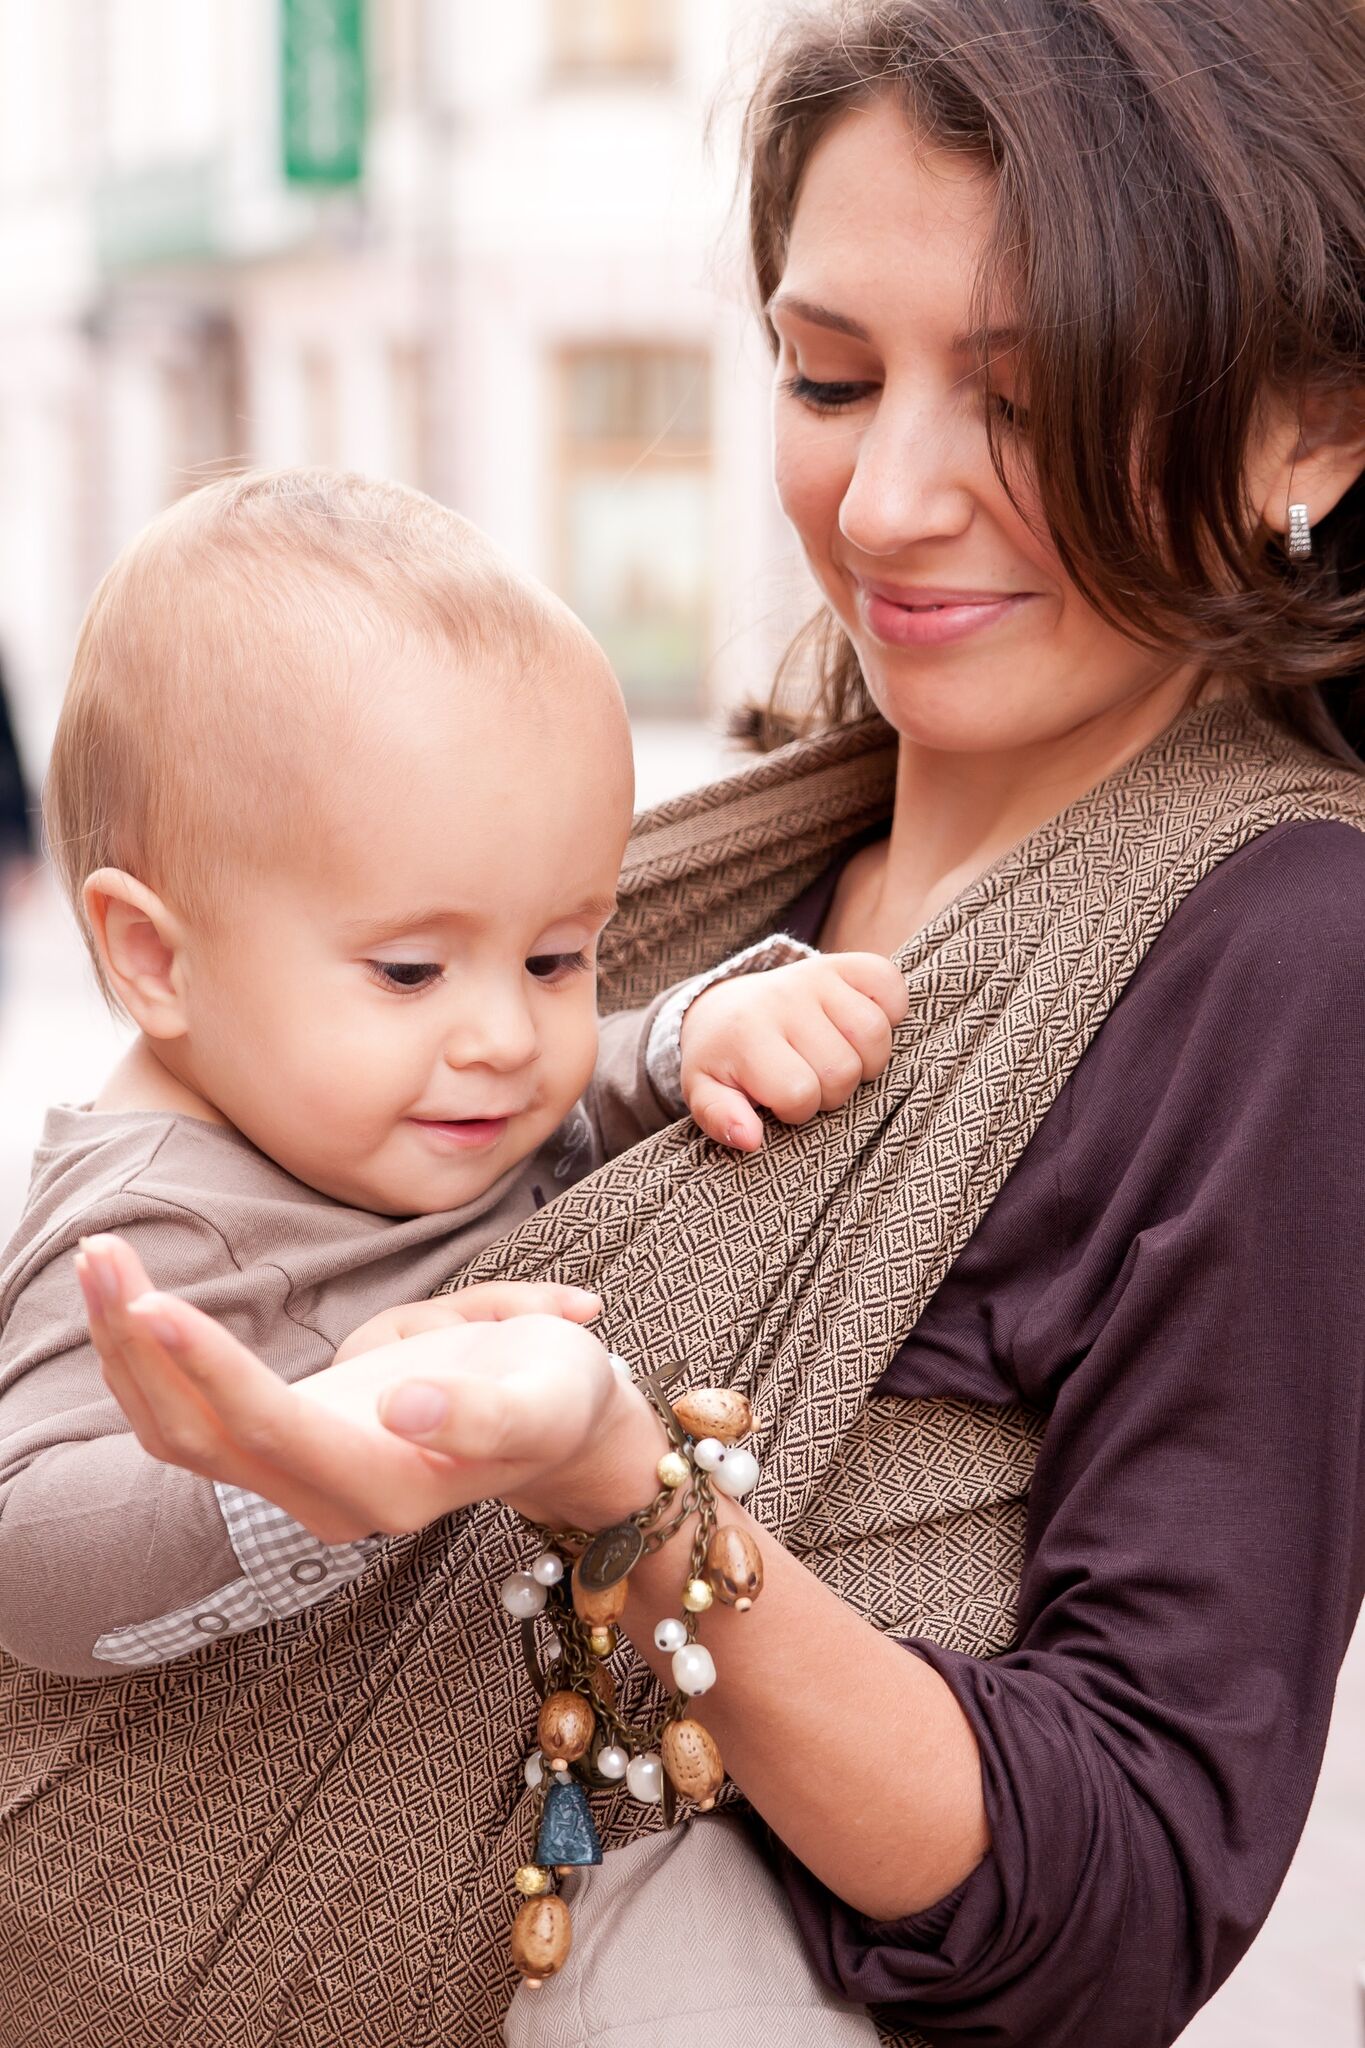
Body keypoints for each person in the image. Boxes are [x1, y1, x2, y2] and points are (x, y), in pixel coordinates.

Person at [3, 4, 1364, 2046]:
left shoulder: (1279, 954)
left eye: (1022, 402)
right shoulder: (702, 876)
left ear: (1309, 431)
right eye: (825, 376)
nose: (891, 498)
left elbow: (1131, 1887)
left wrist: (628, 1498)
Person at [0, 466, 904, 1676]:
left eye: (554, 955)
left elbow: (575, 1112)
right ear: (156, 956)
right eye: (414, 970)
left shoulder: (409, 1098)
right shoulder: (151, 1225)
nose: (507, 1038)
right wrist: (319, 1438)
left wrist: (693, 1035)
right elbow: (29, 1566)